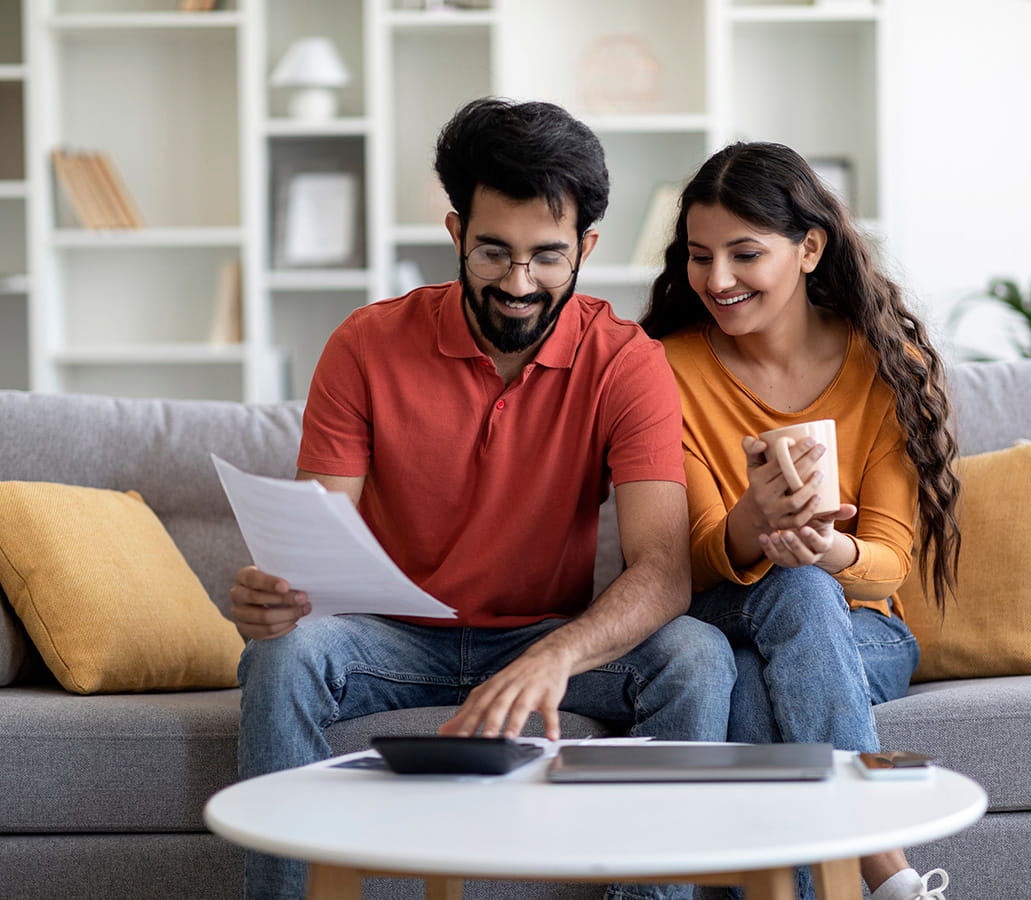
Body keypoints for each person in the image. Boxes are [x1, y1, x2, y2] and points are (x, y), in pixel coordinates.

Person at [230, 97, 737, 900]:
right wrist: (275, 598)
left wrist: (554, 657)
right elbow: (313, 547)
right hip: (388, 641)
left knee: (697, 656)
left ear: (586, 248)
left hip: (543, 634)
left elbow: (666, 571)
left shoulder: (627, 362)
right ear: (456, 233)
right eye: (493, 252)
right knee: (284, 653)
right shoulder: (364, 344)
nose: (519, 284)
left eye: (547, 256)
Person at [639, 142, 962, 900]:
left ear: (810, 247)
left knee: (766, 665)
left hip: (865, 630)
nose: (716, 280)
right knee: (794, 589)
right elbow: (685, 557)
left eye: (744, 254)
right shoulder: (667, 368)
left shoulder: (885, 365)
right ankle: (885, 868)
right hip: (724, 608)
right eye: (699, 255)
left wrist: (832, 547)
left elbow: (888, 562)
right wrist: (752, 525)